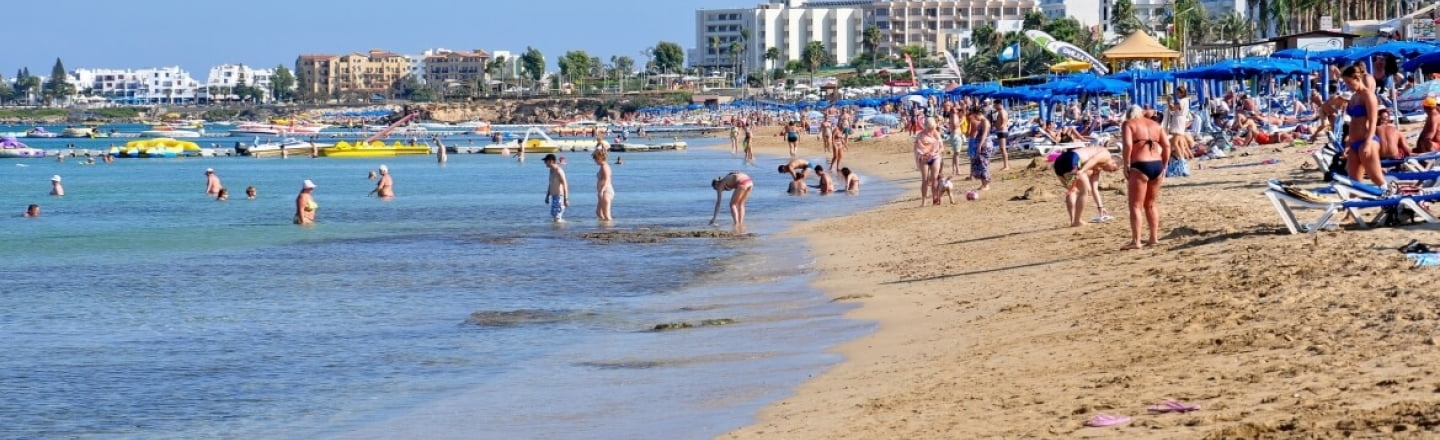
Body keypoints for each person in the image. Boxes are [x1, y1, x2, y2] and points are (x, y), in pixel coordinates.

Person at [1121, 106, 1171, 250]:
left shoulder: (1129, 124)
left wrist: (1126, 164)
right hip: (1156, 165)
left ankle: (1136, 241)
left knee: (1135, 205)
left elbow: (1128, 145)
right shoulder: (1155, 125)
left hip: (1139, 164)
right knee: (1150, 204)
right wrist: (1164, 164)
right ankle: (1154, 238)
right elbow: (1167, 146)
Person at [1053, 145, 1120, 227]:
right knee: (1085, 191)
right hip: (1072, 158)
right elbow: (1093, 159)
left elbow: (1095, 189)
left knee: (1072, 190)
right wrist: (1082, 171)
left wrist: (1100, 207)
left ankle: (1073, 220)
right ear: (1113, 162)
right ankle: (1077, 221)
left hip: (1060, 161)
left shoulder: (1096, 169)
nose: (1111, 172)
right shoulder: (1106, 154)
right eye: (1114, 169)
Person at [1341, 64, 1385, 187]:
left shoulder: (1368, 95)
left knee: (1376, 178)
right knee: (1354, 182)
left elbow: (1373, 120)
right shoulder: (1354, 97)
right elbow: (1353, 121)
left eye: (1349, 82)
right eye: (1345, 83)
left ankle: (1393, 199)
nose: (1347, 86)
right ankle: (1353, 205)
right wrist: (1349, 141)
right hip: (1354, 142)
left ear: (1357, 79)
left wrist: (1368, 142)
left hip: (1367, 140)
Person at [914, 117, 943, 206]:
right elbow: (916, 148)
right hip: (924, 158)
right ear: (925, 126)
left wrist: (936, 152)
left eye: (932, 127)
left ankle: (935, 198)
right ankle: (924, 201)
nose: (931, 129)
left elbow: (942, 147)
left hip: (935, 157)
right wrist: (922, 155)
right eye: (929, 127)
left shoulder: (936, 134)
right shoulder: (920, 135)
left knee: (934, 178)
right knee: (925, 180)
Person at [967, 108, 993, 191]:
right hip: (979, 143)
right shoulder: (981, 122)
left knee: (984, 164)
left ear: (979, 114)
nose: (975, 118)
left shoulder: (985, 121)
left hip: (984, 144)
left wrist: (980, 145)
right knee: (979, 164)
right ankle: (983, 184)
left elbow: (985, 134)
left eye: (975, 116)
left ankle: (986, 184)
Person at [542, 154, 569, 222]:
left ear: (551, 161)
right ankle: (557, 232)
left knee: (557, 217)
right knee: (554, 216)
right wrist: (547, 196)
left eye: (546, 161)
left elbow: (565, 184)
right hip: (554, 196)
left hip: (560, 197)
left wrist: (566, 198)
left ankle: (563, 231)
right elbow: (550, 184)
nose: (545, 163)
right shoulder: (551, 170)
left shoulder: (559, 171)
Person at [593, 148, 614, 221]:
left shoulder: (605, 166)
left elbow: (607, 179)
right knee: (598, 212)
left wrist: (601, 191)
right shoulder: (602, 166)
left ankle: (609, 229)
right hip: (602, 191)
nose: (594, 161)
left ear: (600, 158)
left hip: (606, 191)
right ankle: (604, 227)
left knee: (606, 214)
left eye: (595, 159)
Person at [993, 100, 1011, 170]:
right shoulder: (1001, 111)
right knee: (1002, 148)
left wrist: (1002, 125)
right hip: (1001, 130)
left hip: (1002, 131)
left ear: (998, 104)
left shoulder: (1002, 111)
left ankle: (1006, 166)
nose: (994, 107)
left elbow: (1004, 119)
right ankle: (1006, 164)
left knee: (1003, 148)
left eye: (995, 105)